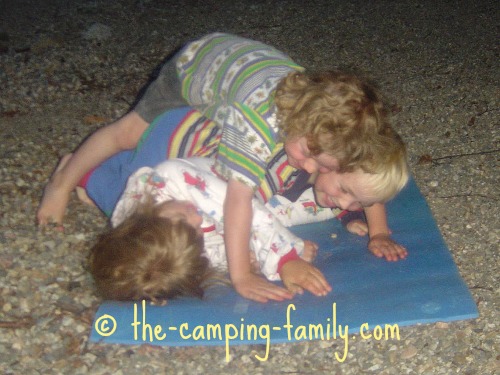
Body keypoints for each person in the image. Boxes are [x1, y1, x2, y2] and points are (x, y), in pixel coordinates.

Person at [37, 33, 408, 302]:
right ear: (299, 123)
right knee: (128, 133)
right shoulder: (254, 128)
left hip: (245, 69)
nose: (306, 165)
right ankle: (62, 180)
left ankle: (94, 179)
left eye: (320, 163)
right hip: (194, 66)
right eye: (307, 154)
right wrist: (242, 276)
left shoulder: (321, 118)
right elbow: (237, 203)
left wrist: (379, 231)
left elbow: (362, 171)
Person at [90, 158, 331, 302]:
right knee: (328, 203)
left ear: (146, 217)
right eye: (195, 233)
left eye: (183, 218)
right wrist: (249, 260)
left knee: (313, 170)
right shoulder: (178, 246)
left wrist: (285, 259)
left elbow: (244, 206)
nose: (195, 218)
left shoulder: (170, 178)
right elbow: (211, 253)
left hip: (239, 181)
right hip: (241, 212)